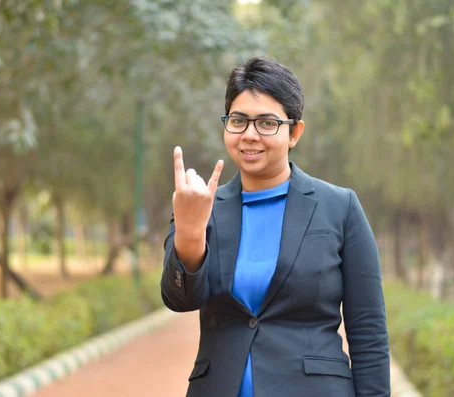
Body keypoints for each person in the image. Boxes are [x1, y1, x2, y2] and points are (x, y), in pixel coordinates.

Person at [161, 56, 390, 397]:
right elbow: (179, 299)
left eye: (267, 123)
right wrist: (191, 232)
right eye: (238, 121)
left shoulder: (339, 208)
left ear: (294, 131)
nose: (250, 135)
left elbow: (368, 331)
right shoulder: (200, 205)